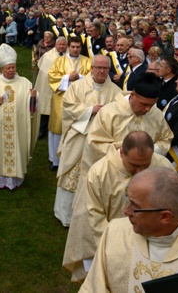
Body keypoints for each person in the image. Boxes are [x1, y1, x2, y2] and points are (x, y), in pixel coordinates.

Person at [63, 73, 173, 282]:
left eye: (152, 105)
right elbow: (94, 144)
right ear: (132, 95)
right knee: (97, 223)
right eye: (143, 104)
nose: (147, 110)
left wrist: (153, 151)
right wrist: (123, 154)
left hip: (146, 184)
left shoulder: (155, 115)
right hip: (111, 180)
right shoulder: (110, 113)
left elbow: (165, 137)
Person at [82, 132, 172, 276]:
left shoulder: (163, 167)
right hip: (113, 244)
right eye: (134, 165)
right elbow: (93, 216)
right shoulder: (99, 173)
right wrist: (117, 247)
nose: (140, 171)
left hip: (151, 245)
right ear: (122, 153)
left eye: (146, 165)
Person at [54, 54, 123, 227]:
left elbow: (120, 117)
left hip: (101, 143)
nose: (101, 71)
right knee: (72, 175)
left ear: (109, 70)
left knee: (95, 178)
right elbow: (68, 107)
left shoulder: (116, 92)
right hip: (79, 138)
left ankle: (90, 218)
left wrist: (105, 114)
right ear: (91, 68)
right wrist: (90, 110)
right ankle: (66, 216)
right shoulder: (77, 87)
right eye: (98, 67)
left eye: (105, 68)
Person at [0, 43, 38, 189]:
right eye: (8, 68)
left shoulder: (25, 83)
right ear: (2, 68)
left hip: (18, 126)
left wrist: (33, 98)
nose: (11, 70)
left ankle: (15, 177)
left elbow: (33, 108)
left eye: (13, 67)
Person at [48, 36, 92, 170]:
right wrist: (68, 78)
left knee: (76, 128)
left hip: (80, 101)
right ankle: (55, 160)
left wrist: (79, 77)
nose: (75, 49)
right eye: (72, 47)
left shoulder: (87, 61)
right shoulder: (59, 61)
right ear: (68, 47)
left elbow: (92, 78)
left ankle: (74, 159)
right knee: (58, 127)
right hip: (61, 99)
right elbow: (52, 77)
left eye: (78, 47)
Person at [34, 36, 66, 139]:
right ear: (55, 45)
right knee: (46, 107)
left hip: (63, 87)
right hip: (48, 86)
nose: (61, 46)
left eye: (63, 44)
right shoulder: (48, 56)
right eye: (59, 44)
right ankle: (43, 129)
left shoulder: (70, 56)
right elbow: (41, 66)